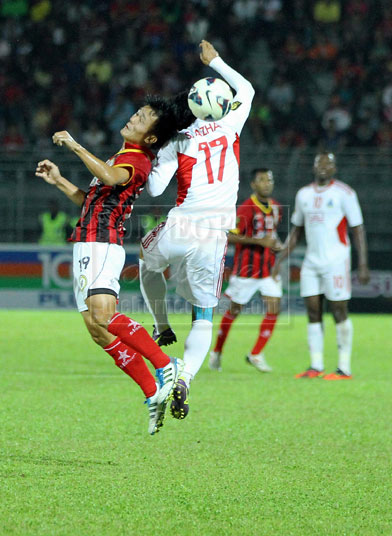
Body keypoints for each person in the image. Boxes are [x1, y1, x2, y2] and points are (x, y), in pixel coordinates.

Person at [35, 96, 183, 435]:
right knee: (97, 329)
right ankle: (152, 393)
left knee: (102, 315)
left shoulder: (138, 160)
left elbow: (112, 178)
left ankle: (165, 365)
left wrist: (74, 145)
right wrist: (59, 180)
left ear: (150, 138)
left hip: (102, 241)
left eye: (142, 118)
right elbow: (89, 199)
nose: (133, 117)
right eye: (137, 112)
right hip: (88, 240)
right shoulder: (121, 156)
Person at [139, 40, 255, 419]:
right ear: (222, 105)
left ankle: (160, 325)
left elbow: (155, 188)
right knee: (204, 314)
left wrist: (151, 154)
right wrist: (216, 60)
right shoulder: (231, 125)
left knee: (145, 259)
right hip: (214, 236)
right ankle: (185, 375)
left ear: (192, 105)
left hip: (181, 225)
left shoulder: (180, 139)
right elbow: (248, 90)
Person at [272, 152, 370, 379]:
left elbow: (358, 229)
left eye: (328, 163)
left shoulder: (345, 193)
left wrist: (363, 263)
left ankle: (344, 368)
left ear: (335, 168)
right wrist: (279, 261)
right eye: (319, 163)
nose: (323, 167)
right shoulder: (303, 194)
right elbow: (297, 231)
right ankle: (316, 366)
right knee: (313, 311)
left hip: (336, 261)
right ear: (314, 167)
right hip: (311, 261)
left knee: (338, 310)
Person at [210, 168, 282, 373]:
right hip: (246, 270)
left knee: (275, 307)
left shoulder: (276, 207)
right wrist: (259, 241)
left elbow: (272, 235)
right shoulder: (246, 208)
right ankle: (217, 351)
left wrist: (276, 247)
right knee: (234, 311)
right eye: (262, 180)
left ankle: (256, 353)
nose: (267, 183)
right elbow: (229, 236)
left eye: (269, 179)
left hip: (268, 269)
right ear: (253, 184)